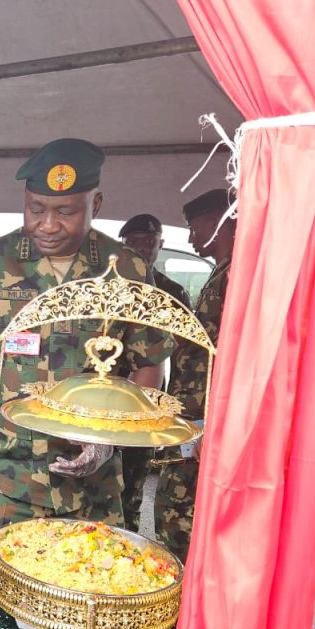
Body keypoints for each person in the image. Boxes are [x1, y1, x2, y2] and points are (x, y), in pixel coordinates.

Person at [0, 138, 173, 530]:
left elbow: (149, 362)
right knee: (5, 585)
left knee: (91, 582)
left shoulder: (125, 268)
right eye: (36, 209)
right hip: (8, 475)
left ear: (94, 205)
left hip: (93, 481)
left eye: (65, 211)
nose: (47, 225)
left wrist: (110, 433)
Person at [154, 187, 236, 561]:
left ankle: (187, 603)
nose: (189, 236)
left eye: (194, 226)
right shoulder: (222, 273)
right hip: (194, 413)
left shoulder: (237, 274)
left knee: (179, 518)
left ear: (221, 220)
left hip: (208, 418)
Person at [117, 212, 191, 531]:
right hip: (103, 401)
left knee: (132, 487)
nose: (143, 248)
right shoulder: (110, 287)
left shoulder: (173, 293)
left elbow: (185, 357)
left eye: (150, 242)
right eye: (134, 242)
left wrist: (172, 409)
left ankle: (126, 545)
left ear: (160, 245)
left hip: (146, 404)